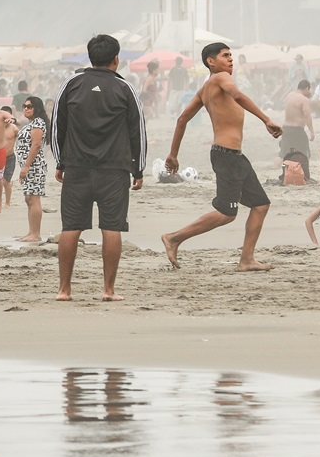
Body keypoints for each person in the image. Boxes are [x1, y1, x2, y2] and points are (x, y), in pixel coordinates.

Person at [161, 42, 281, 273]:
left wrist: (173, 154)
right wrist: (266, 119)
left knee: (260, 205)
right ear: (211, 62)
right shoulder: (220, 78)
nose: (230, 60)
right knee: (227, 213)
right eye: (225, 56)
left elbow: (182, 120)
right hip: (227, 156)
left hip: (233, 156)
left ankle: (247, 260)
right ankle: (174, 238)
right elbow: (237, 95)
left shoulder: (206, 88)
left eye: (231, 56)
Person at [48, 35, 148, 299]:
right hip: (114, 170)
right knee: (112, 228)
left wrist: (61, 161)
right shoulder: (124, 87)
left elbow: (57, 125)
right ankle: (108, 289)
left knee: (71, 227)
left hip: (77, 168)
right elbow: (137, 130)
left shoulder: (72, 83)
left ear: (89, 57)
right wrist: (138, 169)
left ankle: (64, 289)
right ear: (117, 59)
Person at [14, 95, 50, 242]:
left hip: (34, 166)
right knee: (28, 198)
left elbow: (35, 145)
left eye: (29, 106)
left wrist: (27, 166)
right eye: (24, 106)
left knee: (34, 199)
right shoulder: (31, 123)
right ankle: (31, 232)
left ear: (37, 108)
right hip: (28, 166)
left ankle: (36, 234)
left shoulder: (38, 123)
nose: (26, 109)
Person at [280, 81, 315, 181]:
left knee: (286, 154)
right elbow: (307, 115)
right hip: (297, 130)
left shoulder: (290, 95)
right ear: (307, 89)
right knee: (302, 154)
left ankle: (285, 175)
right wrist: (311, 131)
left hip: (286, 128)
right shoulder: (304, 100)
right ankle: (305, 177)